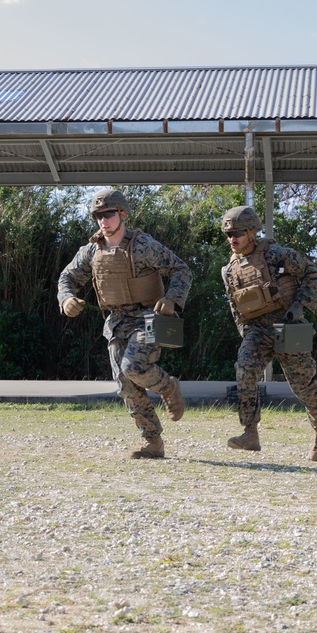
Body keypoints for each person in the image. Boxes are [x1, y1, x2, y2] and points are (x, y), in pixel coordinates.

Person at [57, 189, 192, 459]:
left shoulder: (143, 246)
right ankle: (153, 442)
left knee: (133, 367)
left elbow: (181, 270)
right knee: (126, 385)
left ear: (123, 214)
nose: (103, 221)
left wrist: (172, 299)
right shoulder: (92, 251)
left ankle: (168, 386)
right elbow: (67, 277)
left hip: (149, 320)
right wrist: (66, 298)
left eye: (109, 214)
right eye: (98, 216)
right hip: (117, 322)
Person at [219, 206, 317, 461]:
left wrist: (299, 307)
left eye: (237, 233)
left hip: (288, 325)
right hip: (257, 329)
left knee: (301, 384)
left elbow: (311, 273)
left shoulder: (277, 255)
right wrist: (245, 332)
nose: (232, 239)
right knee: (244, 370)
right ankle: (250, 433)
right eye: (228, 235)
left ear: (252, 232)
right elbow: (234, 303)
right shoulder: (229, 269)